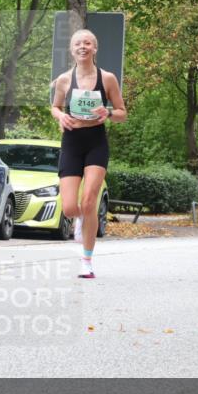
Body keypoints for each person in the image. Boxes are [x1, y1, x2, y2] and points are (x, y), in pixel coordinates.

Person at [51, 29, 126, 279]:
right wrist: (61, 116)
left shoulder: (108, 79)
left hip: (96, 142)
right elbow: (55, 106)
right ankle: (80, 219)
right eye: (78, 44)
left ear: (95, 48)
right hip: (72, 142)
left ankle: (87, 261)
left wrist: (109, 113)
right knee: (70, 208)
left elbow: (122, 112)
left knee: (89, 201)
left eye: (87, 43)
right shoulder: (64, 80)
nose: (82, 47)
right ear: (72, 50)